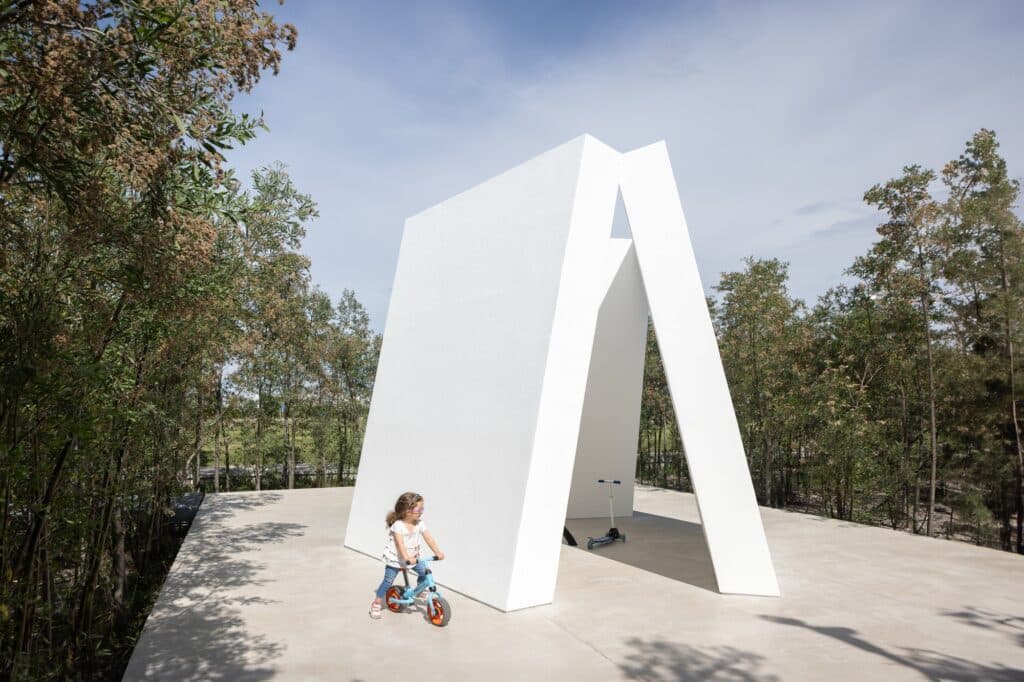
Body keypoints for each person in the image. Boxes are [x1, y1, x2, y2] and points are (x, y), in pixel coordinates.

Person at [369, 491, 445, 619]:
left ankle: (419, 592)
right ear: (407, 510)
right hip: (396, 558)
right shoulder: (398, 525)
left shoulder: (420, 523)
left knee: (424, 572)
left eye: (422, 508)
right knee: (388, 581)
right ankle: (376, 603)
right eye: (419, 508)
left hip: (413, 558)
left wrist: (437, 552)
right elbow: (400, 544)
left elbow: (429, 538)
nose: (421, 511)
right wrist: (406, 558)